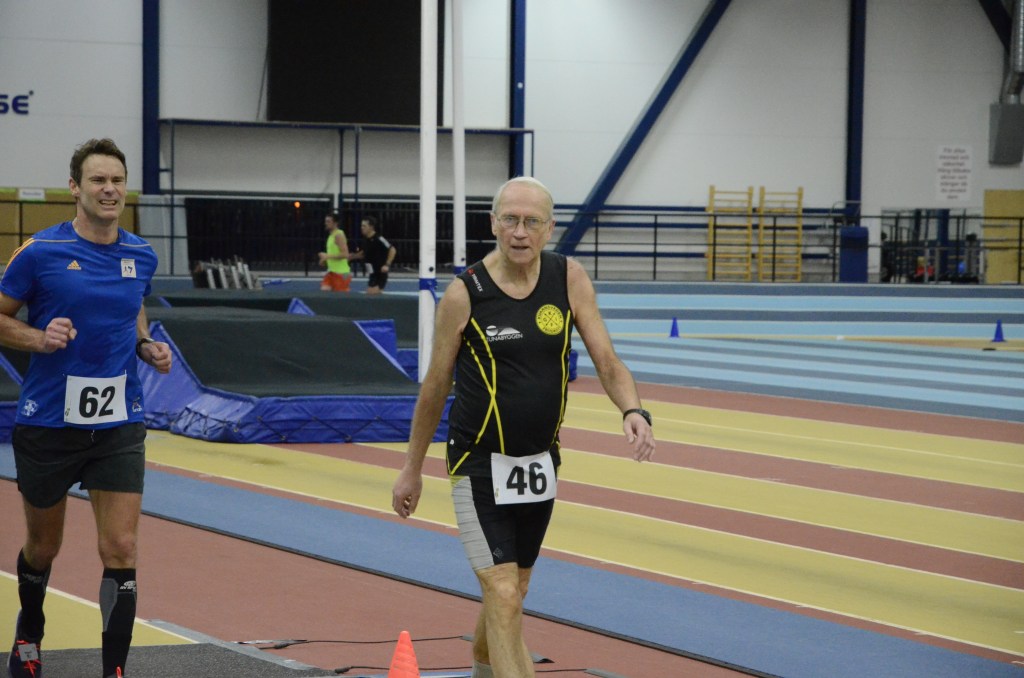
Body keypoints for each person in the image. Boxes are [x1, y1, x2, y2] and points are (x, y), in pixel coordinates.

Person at [391, 177, 655, 677]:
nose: (519, 232)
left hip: (538, 463)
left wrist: (633, 411)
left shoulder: (569, 279)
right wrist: (411, 469)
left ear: (549, 228)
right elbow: (434, 388)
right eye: (509, 219)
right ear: (493, 223)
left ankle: (482, 668)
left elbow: (607, 359)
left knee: (514, 589)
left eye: (532, 222)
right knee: (505, 593)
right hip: (477, 465)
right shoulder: (463, 295)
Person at [1, 138, 173, 678]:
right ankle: (29, 635)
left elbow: (133, 310)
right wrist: (37, 337)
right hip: (49, 422)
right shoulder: (39, 252)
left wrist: (146, 345)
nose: (110, 189)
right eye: (98, 180)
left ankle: (114, 669)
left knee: (120, 545)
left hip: (118, 421)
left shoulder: (140, 255)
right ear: (75, 187)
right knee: (43, 546)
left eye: (118, 180)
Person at [349, 215, 397, 294]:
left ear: (371, 227)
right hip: (372, 273)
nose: (362, 227)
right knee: (370, 295)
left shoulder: (379, 238)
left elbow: (392, 249)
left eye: (364, 226)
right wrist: (352, 257)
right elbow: (364, 253)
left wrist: (387, 265)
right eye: (361, 225)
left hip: (380, 273)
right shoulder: (366, 239)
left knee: (372, 295)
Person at [317, 212, 352, 292]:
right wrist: (325, 261)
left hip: (341, 273)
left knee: (339, 300)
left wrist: (327, 256)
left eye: (328, 221)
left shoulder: (339, 235)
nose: (326, 223)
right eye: (325, 221)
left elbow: (345, 254)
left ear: (335, 223)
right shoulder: (331, 236)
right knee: (325, 292)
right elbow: (333, 254)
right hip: (331, 272)